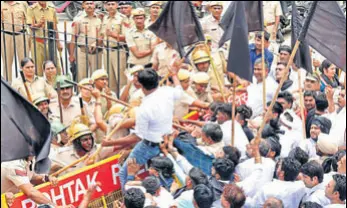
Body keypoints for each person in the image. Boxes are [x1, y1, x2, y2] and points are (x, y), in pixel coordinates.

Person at [100, 68, 184, 187]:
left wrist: (111, 143)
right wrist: (174, 75)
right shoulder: (167, 91)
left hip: (149, 145)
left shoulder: (144, 109)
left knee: (123, 174)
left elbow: (138, 137)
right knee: (162, 175)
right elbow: (180, 91)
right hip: (165, 139)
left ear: (141, 86)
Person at [27, 1, 62, 76]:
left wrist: (58, 42)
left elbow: (55, 27)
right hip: (37, 42)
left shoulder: (51, 9)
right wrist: (38, 25)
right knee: (38, 69)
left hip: (50, 42)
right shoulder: (31, 9)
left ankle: (56, 85)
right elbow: (30, 26)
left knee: (56, 66)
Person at [69, 1, 103, 82]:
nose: (89, 6)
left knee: (96, 77)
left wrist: (96, 43)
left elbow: (102, 35)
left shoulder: (100, 19)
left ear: (94, 5)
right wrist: (71, 55)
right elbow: (73, 38)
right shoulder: (78, 19)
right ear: (83, 5)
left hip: (96, 52)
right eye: (87, 4)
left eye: (91, 3)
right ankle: (82, 94)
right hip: (82, 51)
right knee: (82, 77)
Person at [101, 1, 128, 92]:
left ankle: (122, 101)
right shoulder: (105, 18)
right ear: (105, 6)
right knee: (109, 79)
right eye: (108, 4)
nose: (111, 6)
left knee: (121, 79)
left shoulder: (122, 18)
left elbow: (126, 37)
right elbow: (102, 34)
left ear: (117, 5)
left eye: (113, 4)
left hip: (118, 51)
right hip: (106, 51)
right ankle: (112, 100)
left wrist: (113, 35)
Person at [1, 1, 29, 83]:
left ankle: (26, 83)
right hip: (6, 35)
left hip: (21, 35)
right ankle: (8, 84)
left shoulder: (22, 4)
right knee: (7, 62)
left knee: (25, 61)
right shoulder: (2, 5)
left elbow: (29, 20)